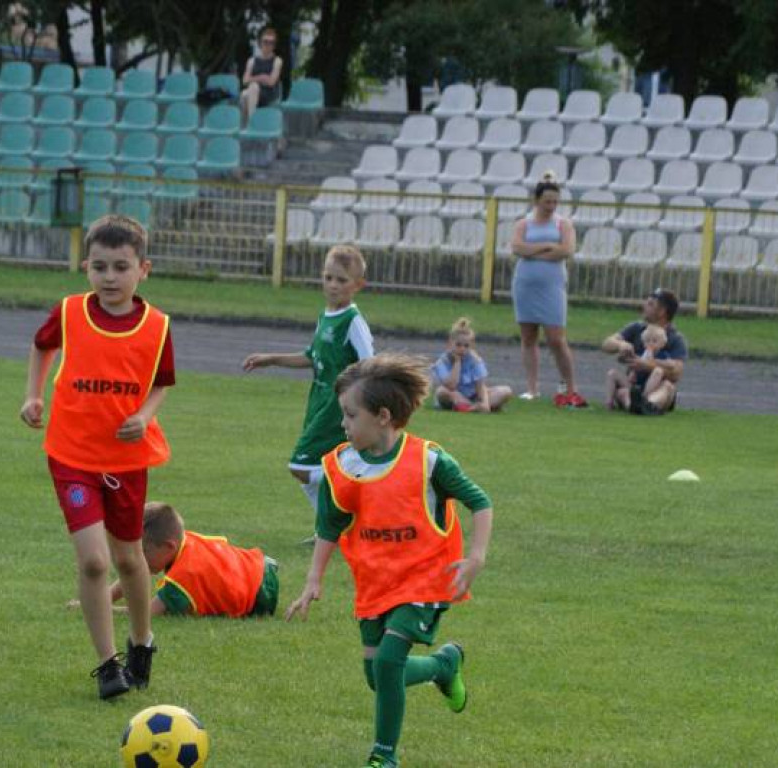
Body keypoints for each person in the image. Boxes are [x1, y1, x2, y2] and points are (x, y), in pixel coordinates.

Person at [286, 353, 494, 768]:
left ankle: (384, 755)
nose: (342, 424)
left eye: (349, 414)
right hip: (375, 583)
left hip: (426, 580)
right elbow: (329, 524)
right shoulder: (342, 465)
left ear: (382, 416)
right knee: (376, 676)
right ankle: (442, 665)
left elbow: (480, 502)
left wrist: (476, 557)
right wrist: (314, 579)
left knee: (387, 661)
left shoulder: (428, 461)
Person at [20, 214, 174, 700]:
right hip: (71, 454)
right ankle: (108, 665)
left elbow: (161, 382)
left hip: (125, 461)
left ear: (143, 270)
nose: (110, 277)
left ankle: (141, 642)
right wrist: (34, 395)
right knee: (93, 561)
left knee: (130, 560)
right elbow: (41, 347)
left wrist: (146, 416)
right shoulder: (68, 313)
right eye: (101, 267)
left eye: (121, 267)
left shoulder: (156, 326)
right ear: (86, 266)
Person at [242, 245, 374, 528]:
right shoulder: (325, 316)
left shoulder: (353, 322)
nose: (333, 285)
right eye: (328, 278)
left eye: (341, 280)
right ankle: (331, 528)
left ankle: (356, 483)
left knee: (301, 466)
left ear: (358, 285)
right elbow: (312, 358)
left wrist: (357, 405)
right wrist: (272, 359)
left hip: (337, 407)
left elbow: (370, 366)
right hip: (318, 401)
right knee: (313, 466)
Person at [107, 502, 279, 618]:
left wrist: (105, 608)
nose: (137, 559)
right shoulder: (186, 541)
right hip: (259, 563)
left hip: (260, 595)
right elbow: (136, 570)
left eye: (144, 551)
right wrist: (104, 598)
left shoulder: (183, 579)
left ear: (169, 546)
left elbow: (145, 612)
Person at [510, 172, 588, 407]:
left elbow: (565, 250)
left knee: (556, 339)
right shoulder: (524, 223)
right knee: (528, 336)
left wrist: (533, 249)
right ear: (537, 201)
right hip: (525, 285)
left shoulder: (563, 224)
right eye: (547, 202)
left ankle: (570, 387)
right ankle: (532, 388)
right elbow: (517, 247)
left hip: (552, 287)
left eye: (555, 202)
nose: (551, 206)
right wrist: (546, 246)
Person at [602, 288, 687, 415]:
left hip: (658, 387)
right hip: (634, 385)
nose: (644, 306)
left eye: (650, 304)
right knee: (622, 392)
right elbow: (606, 344)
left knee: (667, 387)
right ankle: (636, 405)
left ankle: (647, 404)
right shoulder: (637, 328)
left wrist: (647, 365)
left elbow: (677, 372)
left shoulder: (675, 338)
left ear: (662, 311)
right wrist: (621, 345)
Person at [432, 317, 513, 413]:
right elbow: (451, 385)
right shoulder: (443, 361)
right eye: (458, 345)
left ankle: (472, 406)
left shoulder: (475, 360)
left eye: (466, 346)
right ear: (450, 344)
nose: (462, 349)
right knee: (442, 392)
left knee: (506, 391)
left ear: (471, 346)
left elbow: (480, 385)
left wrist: (484, 402)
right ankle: (473, 407)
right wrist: (457, 363)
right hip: (455, 393)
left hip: (474, 395)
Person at [603, 323, 669, 412]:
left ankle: (643, 400)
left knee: (658, 371)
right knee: (613, 374)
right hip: (635, 386)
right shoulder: (641, 354)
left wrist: (651, 363)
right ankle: (609, 403)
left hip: (650, 389)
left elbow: (667, 368)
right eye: (647, 341)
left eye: (654, 341)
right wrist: (631, 368)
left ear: (662, 343)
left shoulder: (663, 355)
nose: (650, 344)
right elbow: (623, 360)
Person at [239, 27, 284, 122]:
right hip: (253, 92)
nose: (268, 45)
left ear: (274, 45)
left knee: (251, 88)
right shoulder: (251, 61)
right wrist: (261, 77)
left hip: (270, 94)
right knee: (244, 94)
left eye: (271, 42)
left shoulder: (277, 61)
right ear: (260, 43)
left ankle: (250, 123)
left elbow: (271, 82)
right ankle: (249, 124)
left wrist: (253, 79)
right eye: (265, 41)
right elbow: (244, 81)